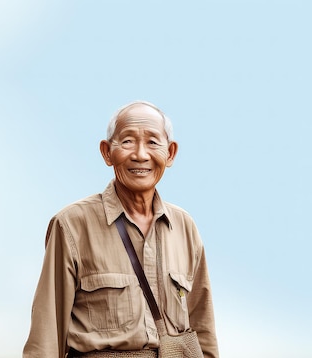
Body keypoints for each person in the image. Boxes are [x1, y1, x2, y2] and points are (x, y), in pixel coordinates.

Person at [23, 101, 218, 358]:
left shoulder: (184, 227)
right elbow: (47, 335)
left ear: (170, 153)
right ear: (107, 152)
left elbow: (203, 332)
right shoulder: (72, 224)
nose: (140, 154)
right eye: (127, 141)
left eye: (152, 142)